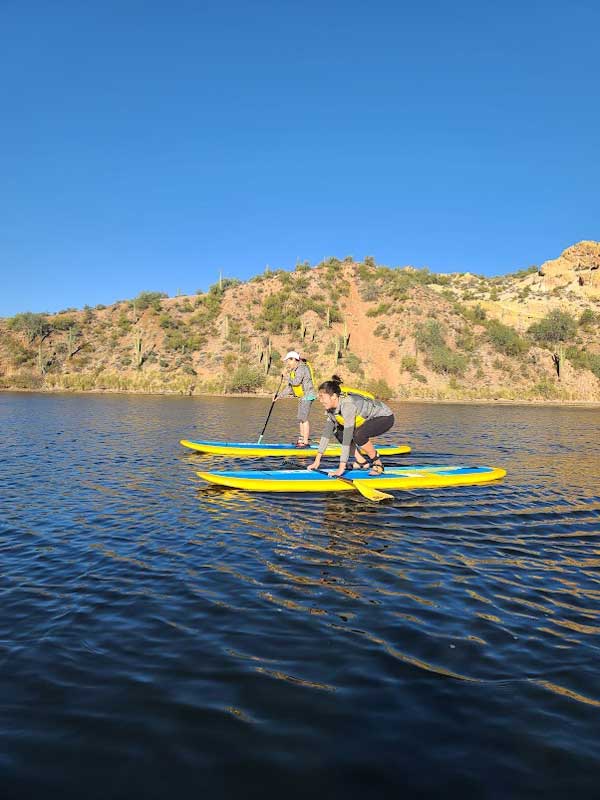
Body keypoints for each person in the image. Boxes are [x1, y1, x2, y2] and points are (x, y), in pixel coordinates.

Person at [307, 375, 395, 476]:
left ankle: (377, 463)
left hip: (384, 417)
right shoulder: (331, 408)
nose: (320, 400)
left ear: (334, 396)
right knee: (338, 432)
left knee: (359, 435)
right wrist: (317, 461)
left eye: (322, 397)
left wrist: (341, 469)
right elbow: (326, 434)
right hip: (366, 420)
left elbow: (347, 437)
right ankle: (361, 462)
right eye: (319, 397)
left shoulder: (347, 406)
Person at [274, 351, 317, 447]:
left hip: (308, 395)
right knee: (300, 418)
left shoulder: (302, 368)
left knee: (304, 418)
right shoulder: (294, 371)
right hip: (302, 396)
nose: (287, 363)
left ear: (294, 359)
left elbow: (296, 382)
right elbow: (290, 387)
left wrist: (286, 377)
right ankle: (301, 440)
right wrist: (279, 396)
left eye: (289, 360)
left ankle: (305, 442)